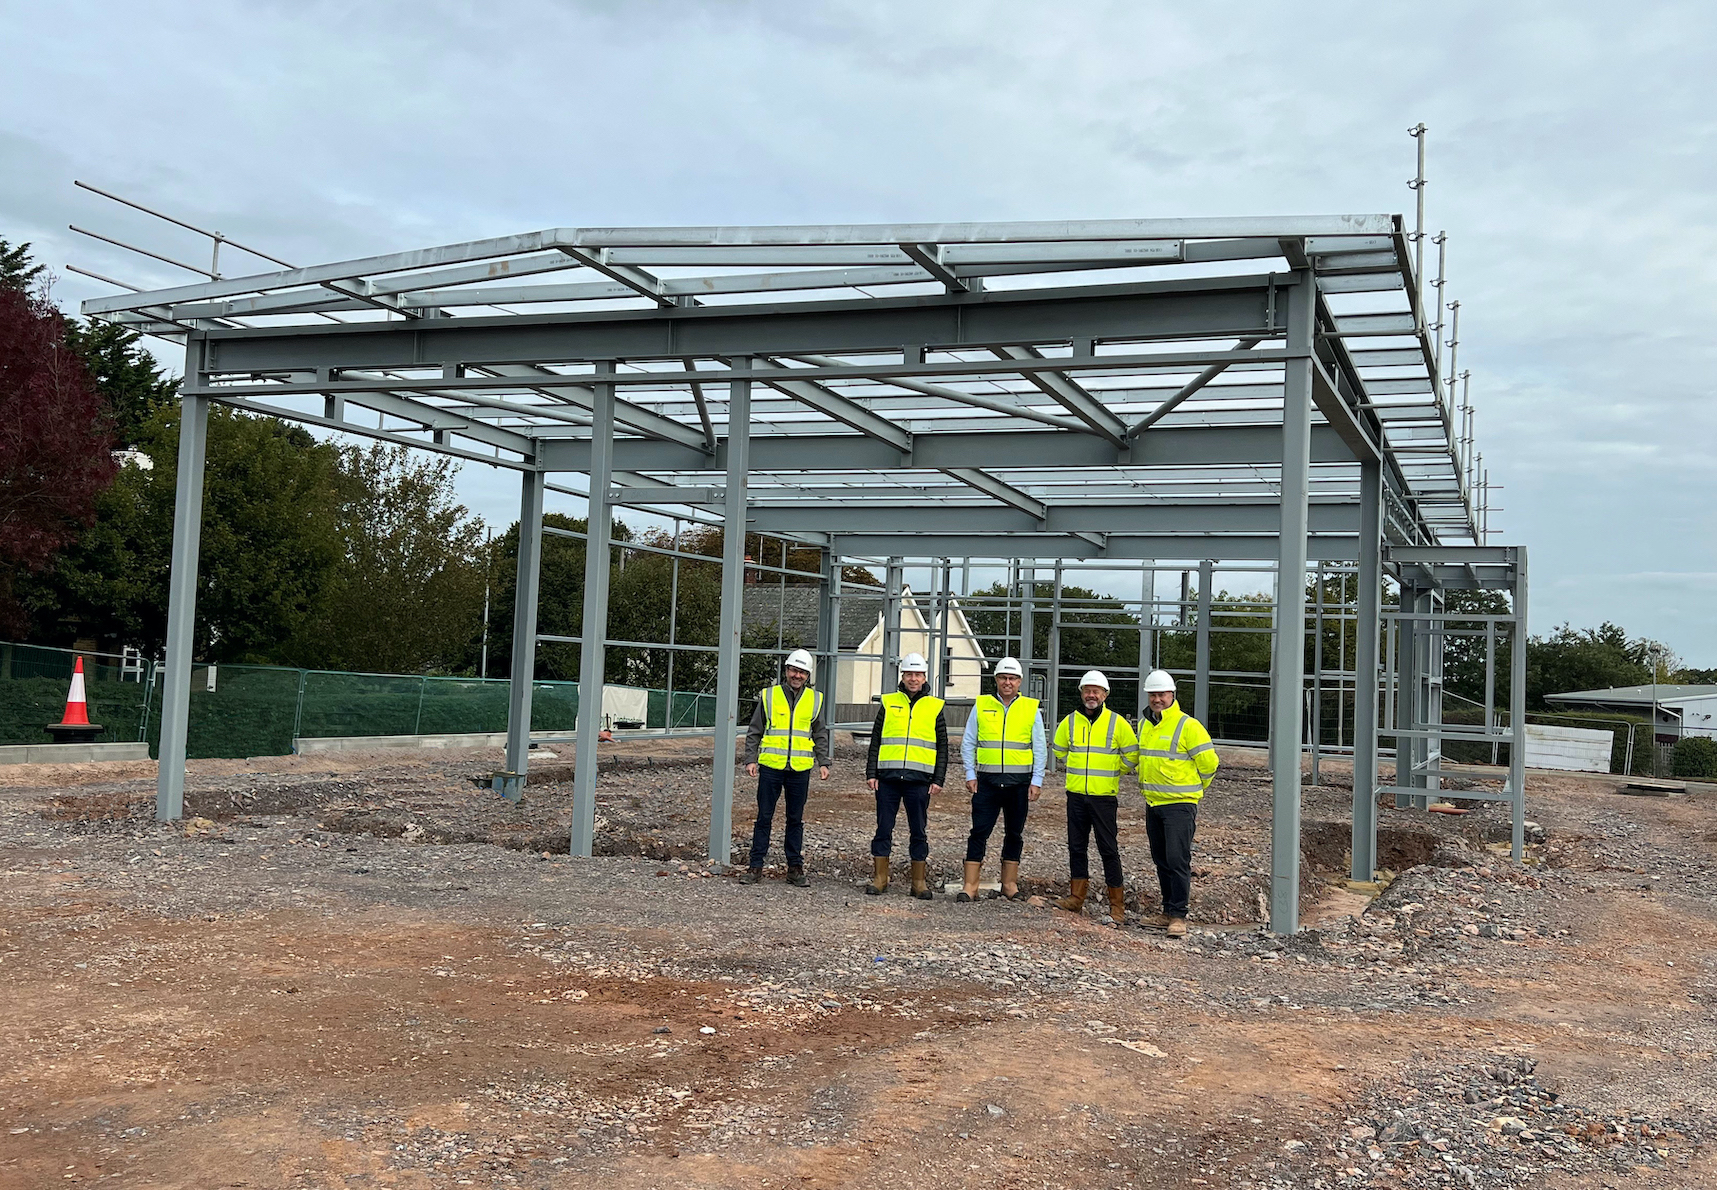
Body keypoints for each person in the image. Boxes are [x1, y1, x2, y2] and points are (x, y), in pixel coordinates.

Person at [1134, 669, 1219, 938]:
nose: (1157, 699)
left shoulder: (1188, 726)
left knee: (1177, 859)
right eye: (1153, 694)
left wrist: (1194, 791)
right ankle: (1167, 911)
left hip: (1179, 806)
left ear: (1172, 695)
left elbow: (1210, 764)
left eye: (1161, 694)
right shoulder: (1146, 724)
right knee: (1161, 859)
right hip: (1154, 803)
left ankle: (1179, 915)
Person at [1051, 669, 1139, 926]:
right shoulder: (1069, 722)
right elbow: (1059, 750)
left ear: (1105, 694)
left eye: (1096, 691)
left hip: (1104, 798)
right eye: (1087, 690)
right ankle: (1076, 898)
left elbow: (1132, 755)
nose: (1091, 694)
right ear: (1081, 693)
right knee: (1076, 847)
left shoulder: (1117, 723)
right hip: (1076, 795)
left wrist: (1114, 771)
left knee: (1108, 850)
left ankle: (1117, 907)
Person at [957, 657, 1045, 901]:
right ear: (996, 679)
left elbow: (1039, 747)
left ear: (1020, 682)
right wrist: (970, 773)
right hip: (987, 782)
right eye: (1004, 678)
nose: (1008, 682)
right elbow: (969, 742)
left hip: (1019, 783)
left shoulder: (1030, 708)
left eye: (1013, 678)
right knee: (979, 832)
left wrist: (1036, 780)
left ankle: (1009, 884)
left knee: (1014, 833)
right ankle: (970, 885)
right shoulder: (982, 705)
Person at [740, 648, 831, 886]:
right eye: (793, 670)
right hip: (771, 766)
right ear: (786, 671)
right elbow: (755, 730)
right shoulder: (770, 696)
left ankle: (794, 868)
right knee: (764, 818)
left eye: (801, 672)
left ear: (808, 675)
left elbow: (820, 733)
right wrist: (750, 758)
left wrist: (824, 762)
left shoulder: (815, 699)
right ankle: (755, 866)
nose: (797, 675)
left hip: (800, 769)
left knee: (795, 819)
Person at [864, 653, 948, 899]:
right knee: (883, 828)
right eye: (909, 674)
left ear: (924, 677)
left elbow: (942, 746)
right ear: (903, 676)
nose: (913, 679)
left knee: (919, 830)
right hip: (888, 779)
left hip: (919, 781)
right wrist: (872, 773)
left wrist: (938, 779)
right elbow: (876, 739)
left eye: (918, 674)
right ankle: (880, 878)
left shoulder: (934, 706)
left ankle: (918, 882)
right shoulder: (889, 703)